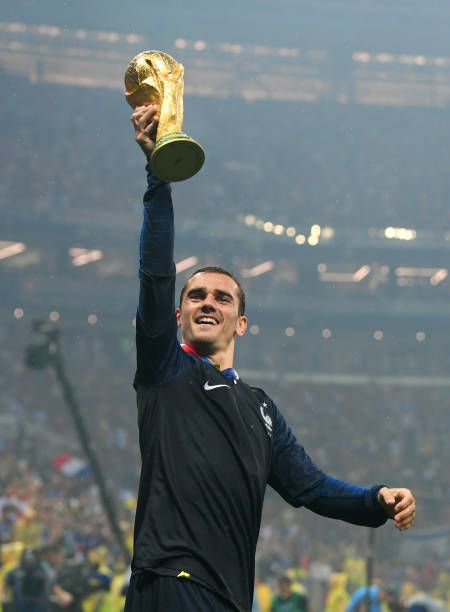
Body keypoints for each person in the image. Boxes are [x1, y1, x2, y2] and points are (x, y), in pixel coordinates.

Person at [124, 102, 416, 612]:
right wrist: (158, 178)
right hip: (171, 580)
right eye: (195, 296)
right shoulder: (165, 369)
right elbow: (154, 274)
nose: (207, 302)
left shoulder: (262, 409)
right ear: (177, 317)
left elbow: (312, 488)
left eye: (222, 297)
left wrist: (375, 500)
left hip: (229, 597)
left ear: (241, 323)